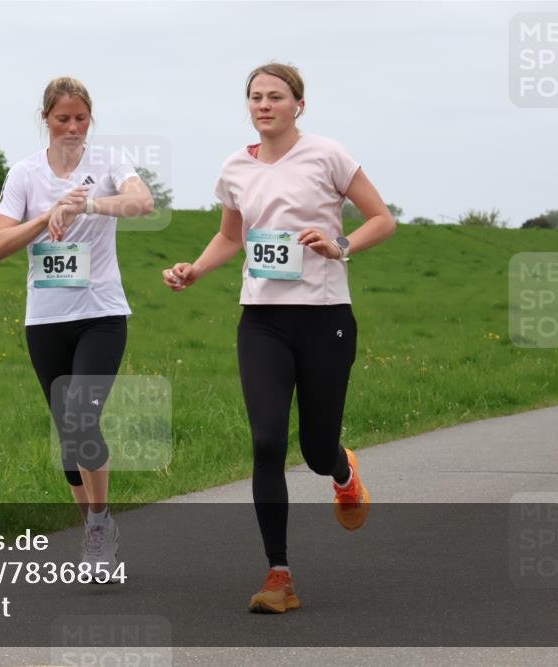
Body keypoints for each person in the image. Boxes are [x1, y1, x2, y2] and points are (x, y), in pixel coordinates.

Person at [162, 63, 396, 612]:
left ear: (298, 106)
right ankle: (279, 575)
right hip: (262, 320)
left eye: (275, 97)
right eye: (255, 97)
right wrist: (195, 269)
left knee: (315, 450)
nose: (264, 105)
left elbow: (382, 219)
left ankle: (343, 471)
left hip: (324, 316)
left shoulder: (327, 155)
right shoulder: (235, 168)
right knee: (267, 441)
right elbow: (231, 237)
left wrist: (339, 245)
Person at [0, 77, 154, 581]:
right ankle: (94, 532)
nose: (73, 127)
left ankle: (99, 523)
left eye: (81, 118)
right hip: (46, 320)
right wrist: (47, 216)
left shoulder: (109, 163)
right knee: (68, 440)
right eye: (63, 119)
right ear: (46, 119)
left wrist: (87, 204)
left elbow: (142, 202)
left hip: (101, 314)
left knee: (82, 421)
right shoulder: (25, 173)